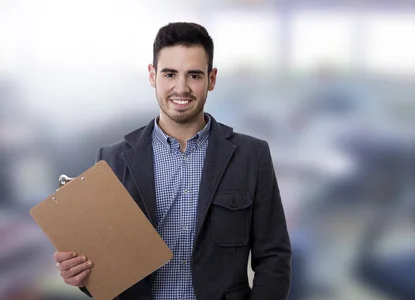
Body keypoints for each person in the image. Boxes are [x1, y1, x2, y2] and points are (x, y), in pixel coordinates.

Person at [52, 22, 292, 300]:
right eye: (170, 74)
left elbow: (274, 257)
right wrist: (81, 276)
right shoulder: (112, 160)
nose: (181, 88)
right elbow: (104, 268)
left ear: (211, 79)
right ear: (152, 75)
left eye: (194, 75)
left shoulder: (252, 156)